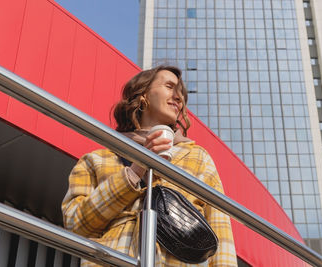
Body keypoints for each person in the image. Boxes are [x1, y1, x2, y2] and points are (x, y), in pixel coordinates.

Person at [62, 65, 238, 266]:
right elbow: (75, 224)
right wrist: (136, 170)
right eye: (170, 86)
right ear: (143, 95)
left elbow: (221, 234)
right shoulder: (97, 160)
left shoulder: (197, 157)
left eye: (181, 93)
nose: (179, 97)